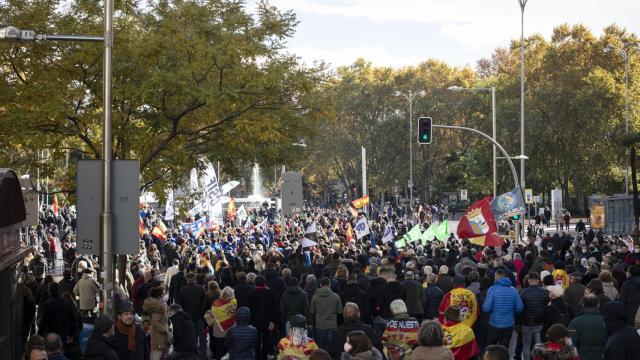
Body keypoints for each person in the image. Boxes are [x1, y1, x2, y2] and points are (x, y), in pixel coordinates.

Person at [482, 269, 524, 347]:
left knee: (491, 348)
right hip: (509, 325)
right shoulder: (513, 290)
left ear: (496, 277)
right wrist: (511, 310)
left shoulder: (492, 289)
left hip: (494, 324)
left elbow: (486, 308)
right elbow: (520, 308)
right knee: (503, 349)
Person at [248, 275, 279, 360]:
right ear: (264, 282)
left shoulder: (251, 294)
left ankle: (258, 357)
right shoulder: (270, 293)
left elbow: (249, 309)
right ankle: (265, 356)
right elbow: (275, 308)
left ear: (255, 283)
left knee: (256, 342)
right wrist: (273, 321)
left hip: (255, 322)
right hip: (268, 322)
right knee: (266, 341)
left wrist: (249, 322)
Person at [568, 294, 606, 360]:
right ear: (598, 305)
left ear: (583, 305)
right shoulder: (606, 321)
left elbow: (569, 343)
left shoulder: (575, 321)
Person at [519, 272, 548, 360]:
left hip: (527, 323)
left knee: (526, 346)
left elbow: (520, 309)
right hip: (540, 323)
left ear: (528, 280)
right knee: (539, 346)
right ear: (538, 281)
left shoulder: (523, 293)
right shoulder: (544, 292)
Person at [178, 272, 206, 358]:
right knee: (202, 336)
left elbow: (180, 305)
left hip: (188, 317)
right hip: (199, 316)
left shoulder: (182, 290)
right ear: (194, 279)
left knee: (191, 337)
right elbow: (204, 303)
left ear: (186, 280)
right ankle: (202, 354)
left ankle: (193, 353)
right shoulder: (200, 288)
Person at [310, 277, 343, 350]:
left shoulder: (315, 296)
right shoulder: (336, 296)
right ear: (330, 284)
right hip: (332, 325)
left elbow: (312, 311)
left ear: (320, 285)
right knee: (331, 347)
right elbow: (340, 311)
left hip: (320, 325)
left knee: (321, 347)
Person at [143, 285, 170, 360]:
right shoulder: (158, 307)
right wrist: (165, 330)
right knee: (156, 356)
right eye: (163, 294)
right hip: (159, 337)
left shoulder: (157, 305)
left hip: (158, 336)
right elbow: (155, 322)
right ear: (160, 296)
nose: (165, 295)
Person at [210, 286, 237, 360]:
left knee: (219, 349)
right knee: (229, 348)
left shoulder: (215, 303)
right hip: (230, 328)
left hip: (218, 329)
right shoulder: (234, 301)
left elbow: (212, 314)